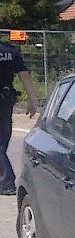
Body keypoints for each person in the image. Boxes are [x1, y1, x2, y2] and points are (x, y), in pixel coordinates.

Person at [0, 39, 39, 195]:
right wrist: (33, 101)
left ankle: (7, 181)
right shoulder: (10, 50)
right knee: (3, 139)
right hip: (6, 98)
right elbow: (25, 76)